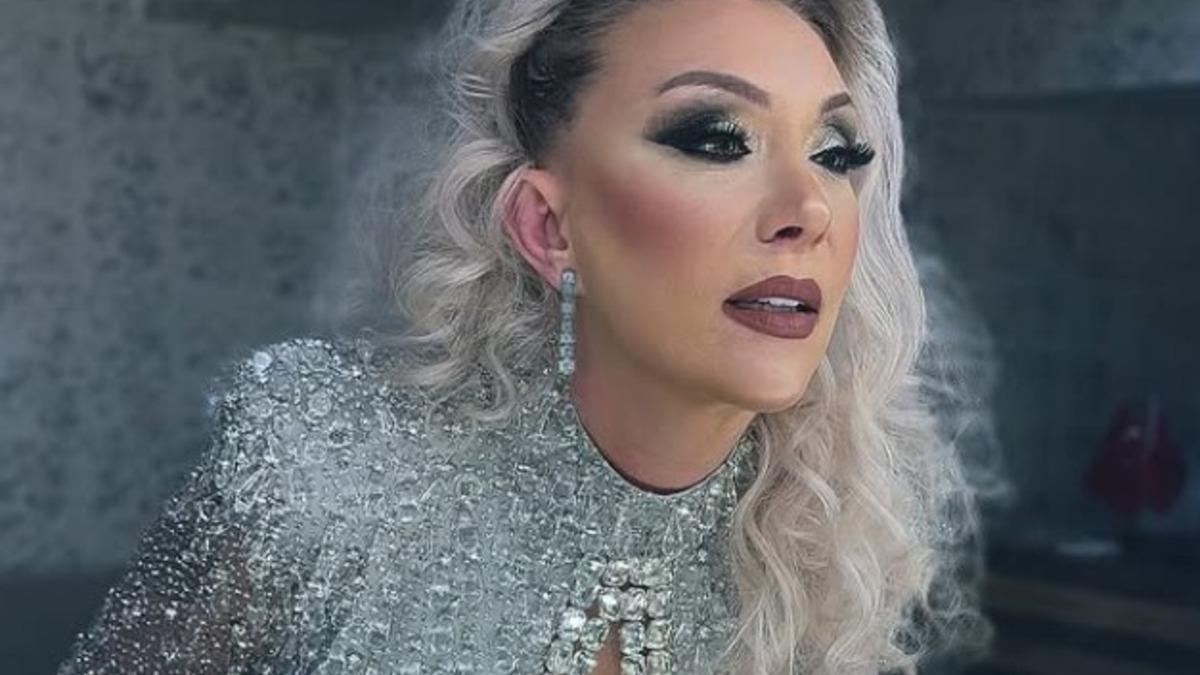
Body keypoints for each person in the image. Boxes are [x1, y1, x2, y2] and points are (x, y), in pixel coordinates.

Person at [57, 0, 1001, 673]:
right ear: (548, 226)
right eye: (716, 137)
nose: (809, 208)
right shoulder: (323, 456)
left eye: (836, 153)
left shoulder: (838, 537)